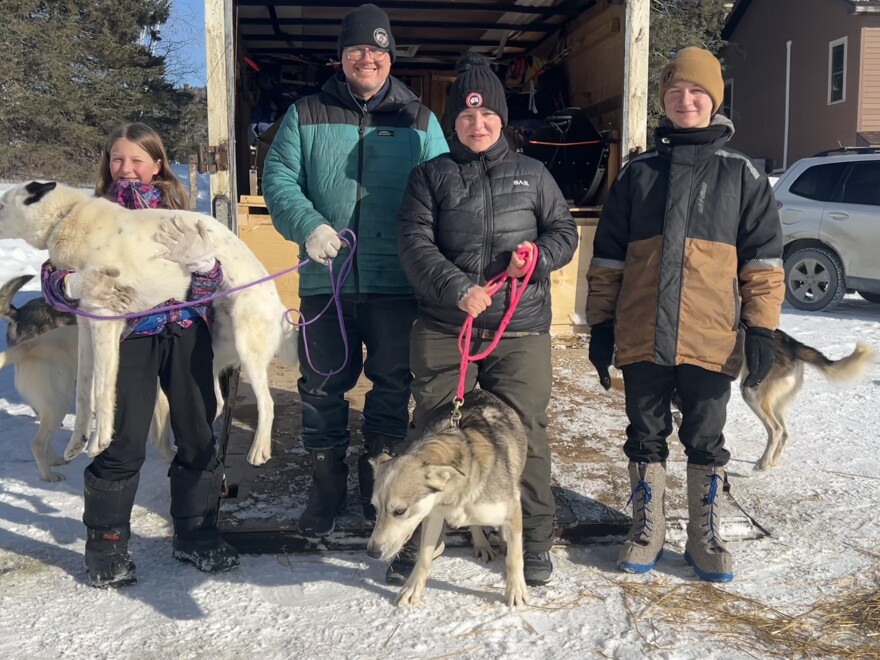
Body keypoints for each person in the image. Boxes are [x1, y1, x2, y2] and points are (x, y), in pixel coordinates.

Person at [586, 47, 785, 583]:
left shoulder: (740, 175)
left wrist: (762, 327)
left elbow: (764, 263)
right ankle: (645, 528)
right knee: (644, 434)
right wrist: (601, 325)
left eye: (697, 92)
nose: (685, 101)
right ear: (665, 102)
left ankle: (703, 534)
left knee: (705, 437)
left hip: (710, 335)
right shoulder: (638, 174)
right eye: (675, 93)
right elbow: (607, 258)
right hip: (642, 331)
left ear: (714, 99)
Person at [261, 3, 448, 537]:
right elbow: (279, 180)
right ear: (340, 57)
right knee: (321, 386)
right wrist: (309, 225)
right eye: (356, 49)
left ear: (390, 57)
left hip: (397, 281)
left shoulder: (420, 120)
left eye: (377, 49)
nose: (367, 58)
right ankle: (326, 484)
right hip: (327, 280)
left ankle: (379, 483)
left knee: (391, 386)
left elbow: (440, 192)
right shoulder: (306, 113)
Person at [396, 53, 578, 586]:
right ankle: (418, 536)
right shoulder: (430, 176)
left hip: (518, 328)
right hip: (445, 324)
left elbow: (564, 234)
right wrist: (456, 288)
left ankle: (535, 540)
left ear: (502, 119)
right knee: (431, 430)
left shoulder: (534, 174)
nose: (477, 125)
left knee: (526, 434)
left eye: (487, 115)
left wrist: (537, 257)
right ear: (453, 121)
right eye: (466, 116)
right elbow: (414, 244)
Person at [42, 122, 240, 588]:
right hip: (126, 339)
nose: (125, 169)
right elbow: (53, 280)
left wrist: (205, 266)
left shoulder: (180, 217)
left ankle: (196, 533)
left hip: (186, 332)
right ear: (106, 165)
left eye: (136, 160)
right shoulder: (88, 218)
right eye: (117, 159)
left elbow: (209, 287)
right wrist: (69, 285)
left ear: (157, 165)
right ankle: (106, 542)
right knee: (122, 439)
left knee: (197, 434)